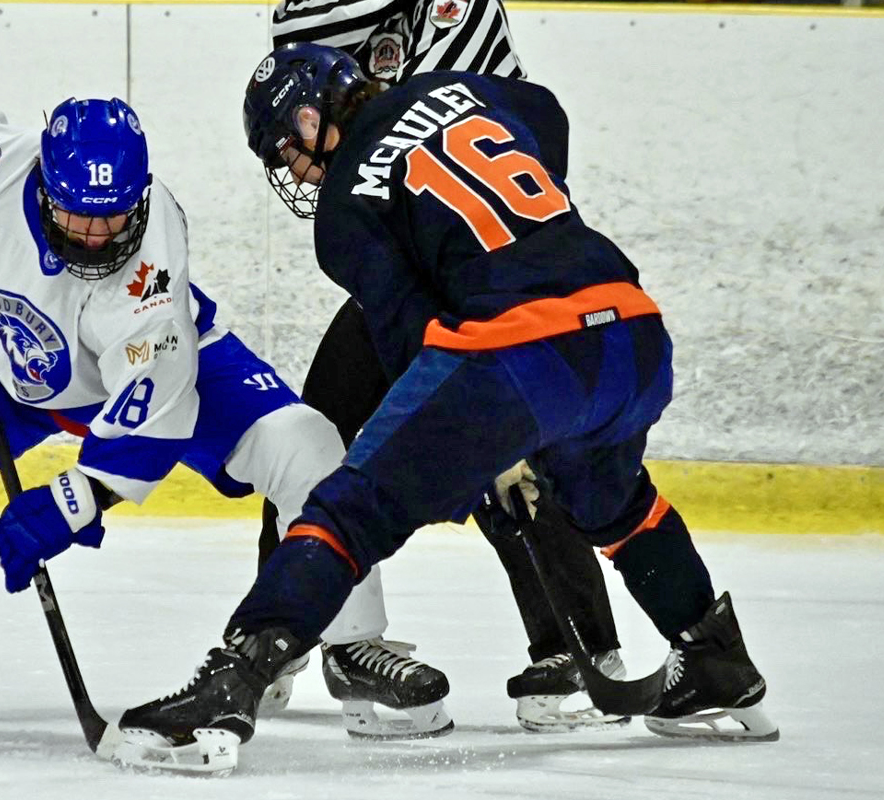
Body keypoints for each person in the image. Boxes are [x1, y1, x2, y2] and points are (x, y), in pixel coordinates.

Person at [114, 43, 779, 770]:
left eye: (287, 153)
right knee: (614, 500)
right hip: (630, 328)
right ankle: (715, 660)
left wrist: (491, 443)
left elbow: (415, 343)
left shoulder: (342, 212)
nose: (296, 174)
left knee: (346, 508)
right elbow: (547, 115)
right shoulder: (457, 86)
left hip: (519, 350)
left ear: (309, 119)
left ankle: (232, 682)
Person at [0, 58, 449, 741]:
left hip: (156, 366)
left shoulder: (153, 256)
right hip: (3, 352)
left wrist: (69, 502)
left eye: (115, 216)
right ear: (44, 184)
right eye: (77, 216)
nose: (98, 237)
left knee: (306, 444)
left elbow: (154, 414)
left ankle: (354, 644)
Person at [259, 0, 628, 732]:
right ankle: (278, 630)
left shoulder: (460, 14)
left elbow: (527, 139)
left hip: (490, 268)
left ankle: (581, 652)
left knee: (506, 443)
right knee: (313, 429)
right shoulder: (314, 17)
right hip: (411, 269)